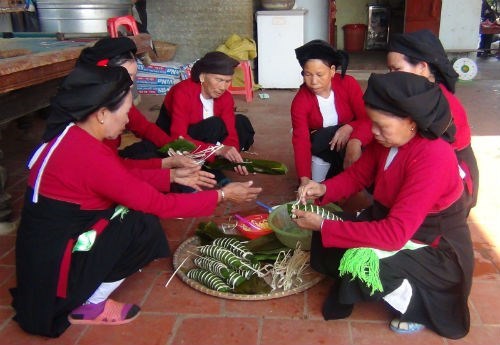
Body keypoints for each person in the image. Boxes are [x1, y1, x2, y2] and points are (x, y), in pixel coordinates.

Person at [9, 64, 262, 337]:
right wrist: (222, 195)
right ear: (103, 114)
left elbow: (120, 173)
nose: (129, 121)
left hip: (45, 249)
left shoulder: (70, 134)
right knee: (141, 224)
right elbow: (159, 205)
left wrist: (170, 176)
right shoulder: (88, 156)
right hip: (60, 260)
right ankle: (89, 304)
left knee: (134, 209)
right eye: (126, 111)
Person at [293, 72, 473, 339]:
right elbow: (358, 175)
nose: (373, 132)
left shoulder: (432, 156)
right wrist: (323, 189)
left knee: (362, 260)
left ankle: (417, 305)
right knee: (332, 236)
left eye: (380, 126)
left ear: (411, 123)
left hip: (431, 244)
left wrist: (324, 224)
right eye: (372, 124)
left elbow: (393, 235)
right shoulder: (388, 141)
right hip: (395, 223)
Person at [387, 29, 479, 214]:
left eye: (396, 69)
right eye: (389, 70)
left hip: (452, 182)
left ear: (422, 66)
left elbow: (430, 161)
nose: (391, 76)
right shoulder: (417, 95)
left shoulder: (440, 104)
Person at [77, 36, 192, 171]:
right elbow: (113, 171)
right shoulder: (88, 119)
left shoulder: (117, 99)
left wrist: (175, 147)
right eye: (127, 76)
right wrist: (165, 166)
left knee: (154, 149)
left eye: (133, 76)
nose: (131, 84)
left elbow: (144, 127)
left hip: (113, 161)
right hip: (104, 170)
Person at [156, 51, 256, 185]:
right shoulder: (183, 92)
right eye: (219, 80)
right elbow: (178, 137)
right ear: (202, 77)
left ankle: (210, 161)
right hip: (175, 143)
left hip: (206, 140)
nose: (223, 87)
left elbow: (230, 131)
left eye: (228, 81)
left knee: (241, 123)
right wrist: (218, 150)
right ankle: (207, 168)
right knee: (215, 124)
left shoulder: (226, 97)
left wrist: (232, 152)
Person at [291, 40, 372, 188]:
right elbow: (301, 140)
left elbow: (366, 119)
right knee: (319, 187)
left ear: (332, 70)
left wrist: (349, 129)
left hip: (347, 142)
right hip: (322, 147)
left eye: (319, 74)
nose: (313, 81)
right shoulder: (300, 101)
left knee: (370, 139)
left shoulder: (348, 84)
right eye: (307, 74)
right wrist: (304, 179)